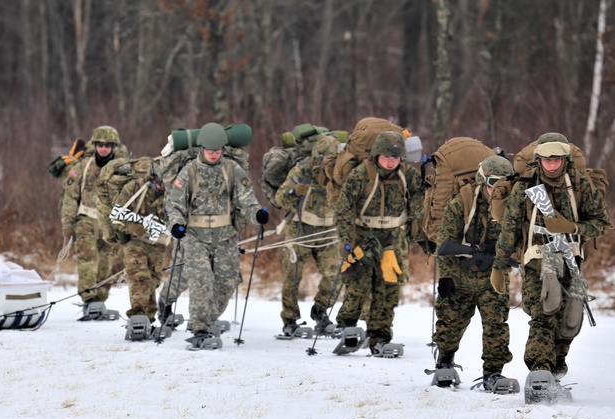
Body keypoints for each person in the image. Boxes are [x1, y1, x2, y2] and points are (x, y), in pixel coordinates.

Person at [491, 132, 611, 381]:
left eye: (557, 159)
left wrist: (573, 228)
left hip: (571, 260)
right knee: (544, 313)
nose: (552, 164)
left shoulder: (580, 184)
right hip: (537, 260)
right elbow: (510, 227)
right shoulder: (525, 186)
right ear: (539, 159)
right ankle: (539, 370)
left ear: (565, 159)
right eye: (547, 159)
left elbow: (601, 222)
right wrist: (499, 264)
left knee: (568, 320)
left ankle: (555, 368)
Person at [165, 122, 269, 349]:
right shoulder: (189, 171)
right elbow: (175, 204)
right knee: (202, 281)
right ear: (202, 148)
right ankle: (200, 329)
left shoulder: (232, 169)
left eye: (218, 150)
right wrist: (176, 224)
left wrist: (257, 214)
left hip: (224, 236)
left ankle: (205, 318)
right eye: (210, 150)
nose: (214, 154)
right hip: (194, 236)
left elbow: (247, 200)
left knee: (227, 281)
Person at [332, 129, 424, 355]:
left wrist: (420, 234)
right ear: (376, 156)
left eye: (395, 158)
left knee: (388, 289)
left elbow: (418, 207)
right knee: (358, 286)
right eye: (386, 157)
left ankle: (380, 337)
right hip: (363, 237)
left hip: (393, 239)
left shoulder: (409, 176)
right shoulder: (361, 174)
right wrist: (346, 241)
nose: (391, 162)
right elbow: (343, 209)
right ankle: (347, 327)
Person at [431, 155, 515, 390]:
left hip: (494, 275)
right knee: (450, 325)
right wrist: (446, 276)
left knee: (496, 325)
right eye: (491, 184)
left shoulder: (513, 205)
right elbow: (445, 241)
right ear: (482, 182)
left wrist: (501, 252)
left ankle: (493, 373)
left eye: (501, 185)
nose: (495, 190)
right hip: (460, 273)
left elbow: (522, 238)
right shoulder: (462, 202)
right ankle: (445, 362)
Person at [274, 133, 342, 337]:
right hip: (300, 227)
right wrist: (294, 192)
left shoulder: (341, 172)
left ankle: (320, 311)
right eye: (320, 159)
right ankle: (290, 319)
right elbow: (280, 198)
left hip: (327, 230)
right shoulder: (302, 169)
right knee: (292, 276)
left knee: (335, 274)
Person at [95, 156, 171, 333]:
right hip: (134, 241)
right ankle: (137, 316)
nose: (162, 184)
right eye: (159, 180)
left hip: (158, 241)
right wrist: (136, 227)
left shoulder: (174, 193)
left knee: (153, 279)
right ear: (152, 176)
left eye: (166, 180)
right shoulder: (134, 188)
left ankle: (149, 319)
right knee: (139, 276)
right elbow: (117, 216)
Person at [60, 125, 128, 320]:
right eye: (100, 145)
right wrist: (68, 223)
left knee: (106, 264)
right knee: (88, 261)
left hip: (110, 223)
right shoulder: (83, 166)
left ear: (114, 147)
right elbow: (70, 196)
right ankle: (89, 301)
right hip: (86, 221)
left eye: (108, 145)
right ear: (95, 145)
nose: (104, 149)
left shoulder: (122, 168)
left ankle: (100, 300)